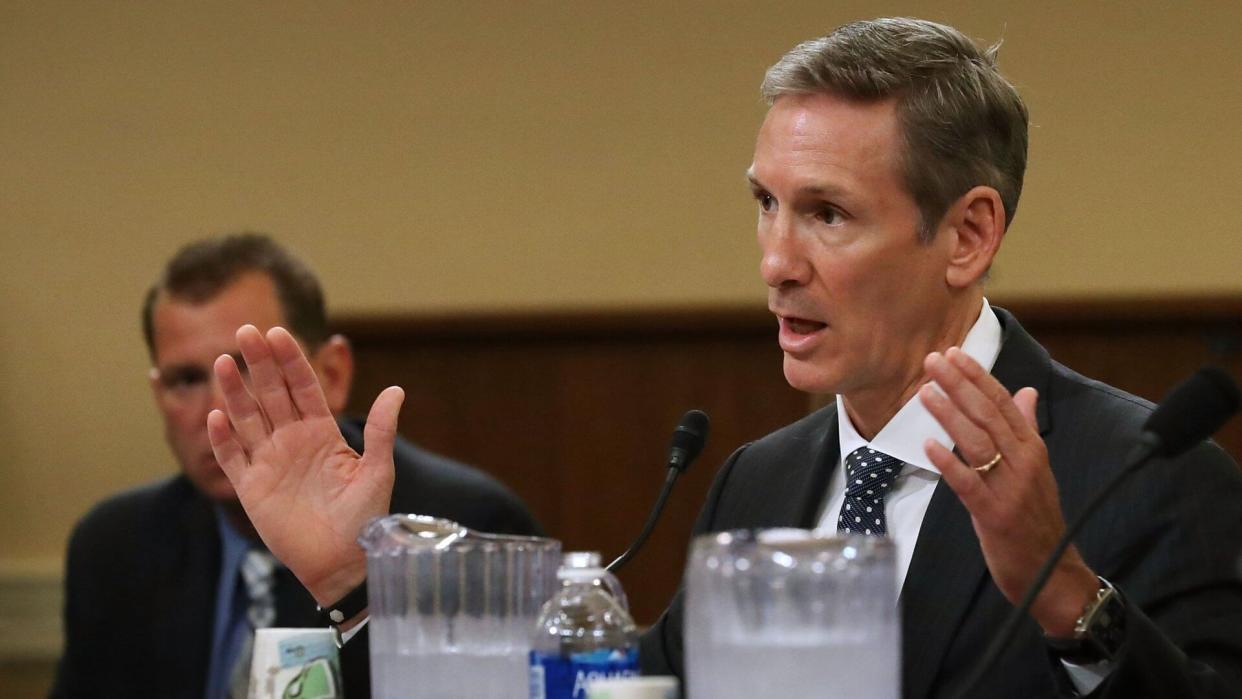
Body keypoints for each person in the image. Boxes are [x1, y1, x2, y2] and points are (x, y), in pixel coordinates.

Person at [201, 19, 1242, 699]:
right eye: (766, 206)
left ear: (967, 234)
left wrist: (1067, 594)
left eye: (827, 214)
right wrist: (356, 579)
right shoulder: (763, 478)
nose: (777, 262)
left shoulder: (1149, 478)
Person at [52, 233, 543, 699]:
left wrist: (352, 586)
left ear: (331, 373)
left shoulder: (467, 527)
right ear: (158, 394)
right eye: (185, 379)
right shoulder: (114, 547)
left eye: (247, 367)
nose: (216, 411)